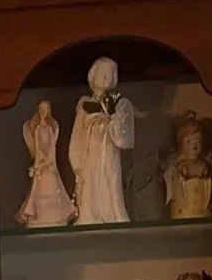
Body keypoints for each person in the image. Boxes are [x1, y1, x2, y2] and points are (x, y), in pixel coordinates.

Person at [69, 58, 134, 224]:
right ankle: (89, 216)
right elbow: (77, 135)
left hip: (110, 151)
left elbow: (124, 139)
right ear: (93, 75)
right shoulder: (85, 104)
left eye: (110, 73)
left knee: (111, 179)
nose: (106, 77)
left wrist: (113, 122)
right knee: (91, 183)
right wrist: (77, 161)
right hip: (91, 154)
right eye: (102, 72)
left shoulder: (119, 104)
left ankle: (114, 214)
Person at [16, 102, 76, 227]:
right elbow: (38, 148)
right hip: (41, 164)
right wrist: (39, 164)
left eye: (46, 109)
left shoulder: (50, 129)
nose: (44, 112)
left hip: (49, 164)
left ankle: (55, 215)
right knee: (39, 188)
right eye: (42, 109)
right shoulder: (37, 129)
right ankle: (39, 215)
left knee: (52, 184)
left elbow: (51, 149)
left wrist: (47, 162)